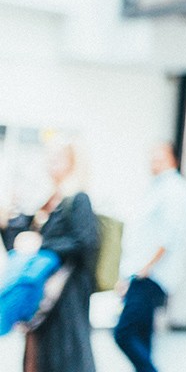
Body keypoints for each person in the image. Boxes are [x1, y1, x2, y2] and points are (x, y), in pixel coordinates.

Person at [1, 140, 100, 372]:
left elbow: (85, 241)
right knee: (41, 357)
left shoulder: (77, 199)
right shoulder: (47, 201)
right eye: (50, 157)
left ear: (72, 163)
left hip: (67, 296)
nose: (50, 163)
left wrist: (42, 244)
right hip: (44, 299)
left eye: (57, 158)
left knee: (66, 356)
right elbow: (18, 245)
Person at [113, 143, 186, 372]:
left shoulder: (175, 189)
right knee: (141, 335)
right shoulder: (156, 188)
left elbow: (169, 235)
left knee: (124, 332)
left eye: (159, 157)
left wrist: (145, 268)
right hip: (140, 273)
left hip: (151, 275)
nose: (153, 161)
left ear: (173, 160)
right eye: (152, 156)